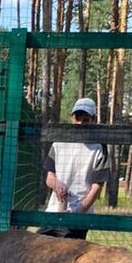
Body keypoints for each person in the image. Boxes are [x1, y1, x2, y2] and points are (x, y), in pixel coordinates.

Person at [41, 96, 110, 239]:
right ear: (72, 117)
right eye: (77, 118)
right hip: (53, 212)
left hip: (78, 217)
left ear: (93, 119)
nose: (80, 123)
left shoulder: (99, 147)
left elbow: (97, 187)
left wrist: (78, 212)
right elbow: (49, 177)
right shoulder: (59, 142)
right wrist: (57, 184)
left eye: (85, 119)